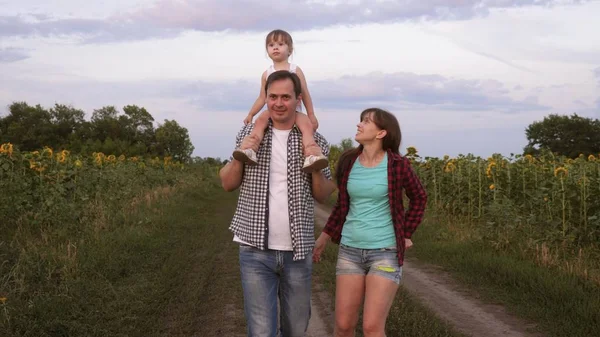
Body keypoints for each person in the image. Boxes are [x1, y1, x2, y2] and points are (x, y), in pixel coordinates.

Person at [219, 70, 336, 337]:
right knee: (262, 331)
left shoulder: (316, 141)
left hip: (298, 250)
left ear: (298, 100)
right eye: (273, 97)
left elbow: (324, 194)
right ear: (266, 98)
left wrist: (315, 166)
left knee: (296, 329)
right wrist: (240, 156)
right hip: (254, 249)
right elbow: (227, 183)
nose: (278, 103)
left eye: (286, 97)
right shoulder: (250, 134)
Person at [313, 108, 428, 337]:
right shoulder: (348, 161)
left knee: (372, 328)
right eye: (361, 120)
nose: (359, 125)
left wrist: (406, 233)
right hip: (350, 252)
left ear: (381, 133)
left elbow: (419, 198)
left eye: (366, 121)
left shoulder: (398, 164)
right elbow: (341, 207)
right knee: (344, 326)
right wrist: (324, 238)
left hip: (385, 252)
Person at [232, 29, 329, 173]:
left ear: (290, 49)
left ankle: (311, 155)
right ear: (267, 50)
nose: (275, 47)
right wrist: (251, 114)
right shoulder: (266, 73)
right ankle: (251, 149)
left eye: (280, 44)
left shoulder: (295, 69)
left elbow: (305, 94)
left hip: (294, 112)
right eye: (271, 45)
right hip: (272, 111)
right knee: (260, 121)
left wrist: (311, 114)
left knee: (307, 127)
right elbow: (262, 98)